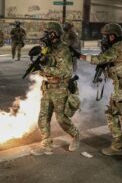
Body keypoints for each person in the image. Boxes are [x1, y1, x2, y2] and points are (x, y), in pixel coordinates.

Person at [80, 23, 122, 156]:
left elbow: (97, 59)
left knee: (111, 113)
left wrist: (80, 56)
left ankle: (117, 145)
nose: (104, 39)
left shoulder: (116, 48)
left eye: (106, 37)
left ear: (113, 36)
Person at [30, 22, 80, 156]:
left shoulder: (64, 50)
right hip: (48, 88)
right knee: (43, 117)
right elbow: (42, 69)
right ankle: (46, 144)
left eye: (47, 33)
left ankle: (75, 135)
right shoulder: (48, 49)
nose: (45, 35)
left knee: (61, 119)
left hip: (61, 89)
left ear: (54, 34)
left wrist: (44, 68)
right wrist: (41, 67)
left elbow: (65, 72)